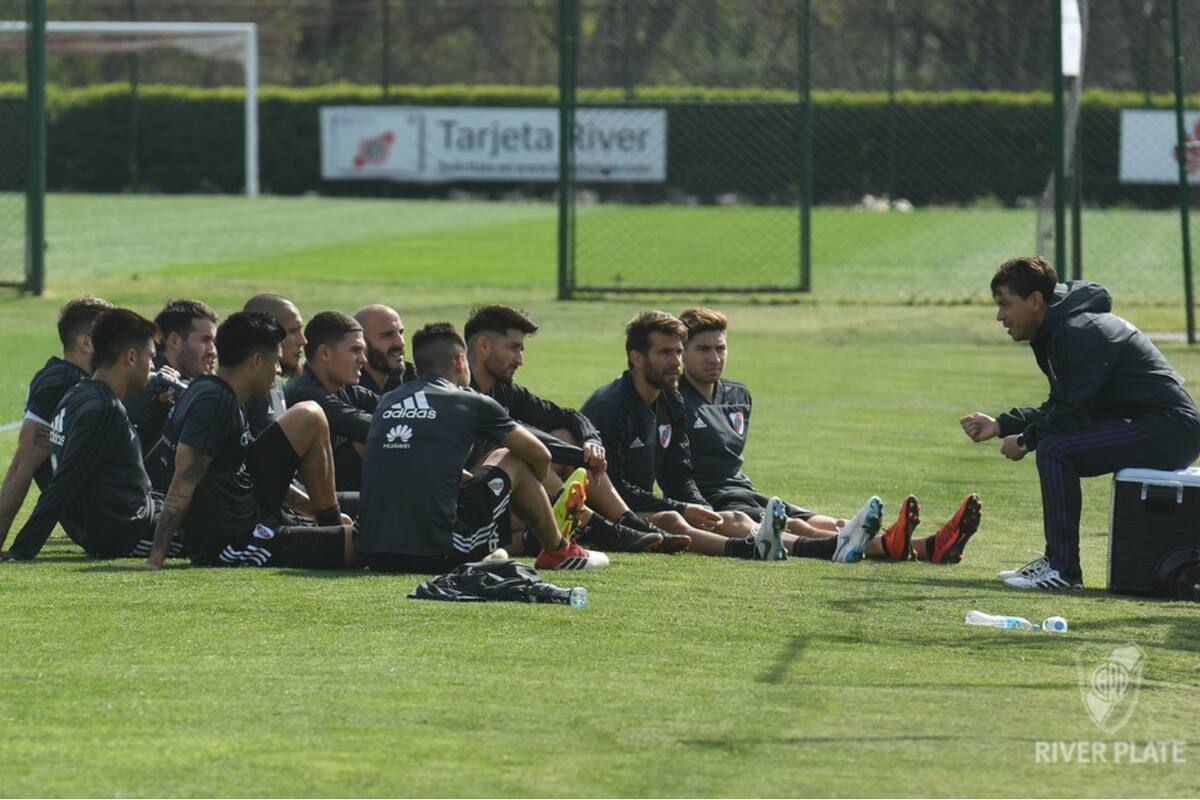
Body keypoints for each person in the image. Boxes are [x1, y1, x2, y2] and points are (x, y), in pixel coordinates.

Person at [962, 256, 1200, 591]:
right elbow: (1063, 405)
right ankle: (1056, 561)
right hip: (1155, 423)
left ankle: (1063, 570)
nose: (999, 315)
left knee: (1056, 449)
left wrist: (1026, 441)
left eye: (1005, 304)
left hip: (1168, 429)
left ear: (1034, 301)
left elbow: (1070, 413)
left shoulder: (1075, 332)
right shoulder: (1062, 325)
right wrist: (1001, 424)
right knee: (1055, 445)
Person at [678, 306, 982, 564]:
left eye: (721, 348)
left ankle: (927, 545)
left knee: (833, 522)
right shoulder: (673, 399)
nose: (714, 357)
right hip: (710, 497)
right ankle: (920, 546)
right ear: (683, 352)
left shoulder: (738, 395)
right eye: (703, 349)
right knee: (796, 525)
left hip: (744, 489)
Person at [355, 322, 608, 572]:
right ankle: (558, 550)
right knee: (512, 456)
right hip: (437, 553)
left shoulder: (388, 400)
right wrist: (528, 494)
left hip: (372, 549)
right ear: (459, 361)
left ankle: (521, 540)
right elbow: (540, 454)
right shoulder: (470, 401)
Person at [581, 310, 815, 560]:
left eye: (679, 352)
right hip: (598, 513)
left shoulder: (670, 399)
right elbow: (608, 485)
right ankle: (753, 549)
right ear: (637, 358)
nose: (676, 362)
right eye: (665, 353)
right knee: (672, 519)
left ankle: (828, 546)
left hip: (639, 506)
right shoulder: (611, 406)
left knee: (729, 519)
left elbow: (678, 474)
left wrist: (701, 507)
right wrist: (680, 507)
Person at [138, 312, 355, 570]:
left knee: (310, 414)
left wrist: (311, 510)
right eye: (274, 361)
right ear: (255, 361)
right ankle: (331, 533)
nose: (277, 370)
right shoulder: (213, 402)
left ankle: (328, 526)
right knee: (364, 544)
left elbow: (245, 472)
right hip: (236, 543)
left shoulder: (224, 396)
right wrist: (155, 560)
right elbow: (181, 486)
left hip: (251, 517)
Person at [464, 304, 688, 554]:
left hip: (503, 498)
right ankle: (596, 528)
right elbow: (519, 437)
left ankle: (627, 522)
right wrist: (578, 456)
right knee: (516, 452)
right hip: (468, 504)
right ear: (484, 346)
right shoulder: (458, 394)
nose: (520, 359)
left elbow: (568, 415)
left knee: (566, 435)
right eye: (514, 348)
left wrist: (591, 440)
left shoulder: (503, 390)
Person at [4, 308, 184, 560]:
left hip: (134, 518)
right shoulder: (104, 408)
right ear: (131, 357)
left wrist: (157, 412)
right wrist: (21, 550)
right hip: (133, 532)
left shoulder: (79, 393)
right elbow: (64, 484)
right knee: (218, 534)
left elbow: (123, 459)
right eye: (150, 357)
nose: (153, 366)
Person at [0, 296, 112, 553]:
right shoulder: (62, 382)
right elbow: (21, 466)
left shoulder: (76, 379)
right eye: (110, 337)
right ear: (87, 343)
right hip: (109, 523)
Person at [284, 311, 377, 492]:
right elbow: (365, 426)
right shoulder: (304, 392)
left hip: (332, 490)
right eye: (355, 350)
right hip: (309, 500)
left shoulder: (343, 387)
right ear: (325, 353)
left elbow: (389, 405)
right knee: (371, 440)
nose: (363, 360)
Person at [123, 298, 217, 455]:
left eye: (214, 342)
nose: (213, 351)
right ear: (174, 341)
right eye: (205, 340)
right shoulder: (149, 386)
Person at [242, 293, 306, 438]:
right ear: (267, 334)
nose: (303, 340)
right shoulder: (242, 388)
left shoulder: (277, 383)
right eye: (294, 331)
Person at [354, 304, 416, 395]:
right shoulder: (346, 388)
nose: (401, 343)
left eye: (401, 332)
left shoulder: (416, 380)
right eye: (388, 335)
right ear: (362, 342)